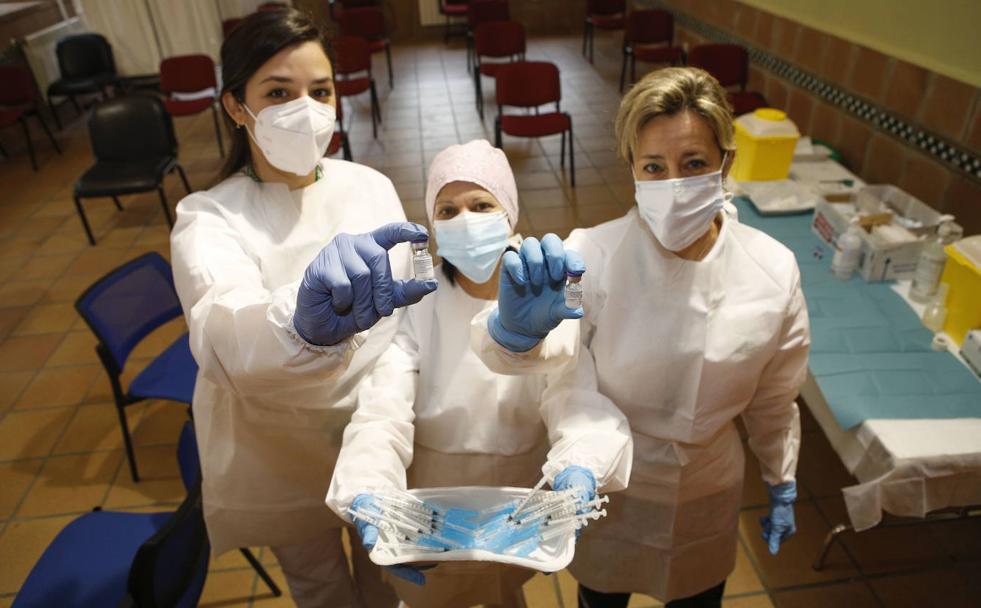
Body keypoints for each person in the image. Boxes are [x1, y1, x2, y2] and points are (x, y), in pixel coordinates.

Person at [471, 67, 810, 606]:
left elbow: (774, 395)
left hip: (708, 481)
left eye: (693, 164)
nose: (673, 184)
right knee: (602, 595)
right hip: (610, 483)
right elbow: (559, 376)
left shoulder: (772, 270)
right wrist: (513, 334)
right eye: (654, 166)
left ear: (727, 162)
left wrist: (781, 476)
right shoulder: (593, 257)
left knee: (697, 595)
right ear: (631, 168)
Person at [169, 9, 437, 608]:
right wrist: (301, 329)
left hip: (380, 431)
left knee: (385, 580)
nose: (307, 109)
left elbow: (409, 326)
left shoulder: (370, 186)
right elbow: (225, 329)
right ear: (236, 107)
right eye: (279, 93)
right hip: (279, 456)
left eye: (320, 91)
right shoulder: (207, 218)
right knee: (321, 591)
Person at [326, 139, 633, 608]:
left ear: (508, 211)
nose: (464, 220)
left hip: (518, 495)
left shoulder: (544, 293)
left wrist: (581, 462)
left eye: (480, 204)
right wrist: (370, 488)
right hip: (434, 498)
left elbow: (572, 391)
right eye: (447, 210)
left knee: (503, 588)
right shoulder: (418, 300)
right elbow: (383, 409)